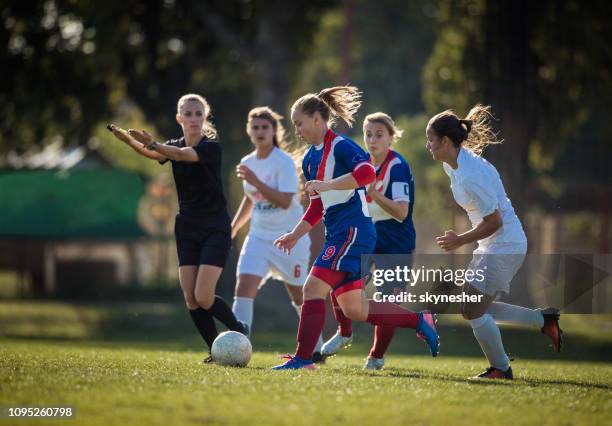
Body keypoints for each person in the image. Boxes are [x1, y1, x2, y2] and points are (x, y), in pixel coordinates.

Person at [272, 86, 439, 370]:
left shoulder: (341, 145)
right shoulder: (311, 158)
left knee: (312, 287)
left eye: (298, 123)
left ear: (316, 119)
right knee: (355, 309)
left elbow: (366, 173)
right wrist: (294, 235)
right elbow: (317, 207)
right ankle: (418, 320)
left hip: (353, 231)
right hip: (341, 233)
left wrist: (329, 185)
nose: (296, 129)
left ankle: (303, 359)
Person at [425, 104, 563, 380]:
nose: (427, 145)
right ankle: (544, 320)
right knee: (473, 307)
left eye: (430, 139)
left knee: (472, 310)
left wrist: (459, 239)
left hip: (505, 244)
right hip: (492, 243)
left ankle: (501, 367)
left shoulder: (470, 175)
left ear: (446, 142)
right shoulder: (453, 164)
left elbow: (495, 221)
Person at [108, 93, 247, 362]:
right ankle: (215, 350)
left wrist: (154, 143)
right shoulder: (171, 145)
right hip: (187, 227)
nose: (194, 118)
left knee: (204, 295)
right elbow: (152, 152)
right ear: (179, 118)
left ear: (205, 117)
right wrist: (128, 140)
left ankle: (239, 329)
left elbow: (180, 155)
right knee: (191, 299)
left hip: (215, 227)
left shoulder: (210, 147)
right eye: (188, 113)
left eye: (198, 113)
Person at [321, 112, 417, 370]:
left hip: (396, 243)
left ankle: (375, 357)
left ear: (390, 138)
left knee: (387, 304)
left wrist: (373, 192)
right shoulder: (361, 164)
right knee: (340, 280)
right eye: (368, 134)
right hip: (368, 237)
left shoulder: (397, 166)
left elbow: (401, 212)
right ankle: (344, 332)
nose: (372, 140)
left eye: (379, 135)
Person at [230, 106, 324, 359]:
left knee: (297, 292)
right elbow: (251, 199)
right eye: (256, 127)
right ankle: (238, 345)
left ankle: (316, 346)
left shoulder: (282, 162)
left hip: (288, 239)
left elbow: (284, 201)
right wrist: (235, 227)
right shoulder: (247, 163)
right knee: (243, 286)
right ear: (250, 131)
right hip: (258, 237)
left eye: (265, 127)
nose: (260, 131)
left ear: (274, 131)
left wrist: (255, 180)